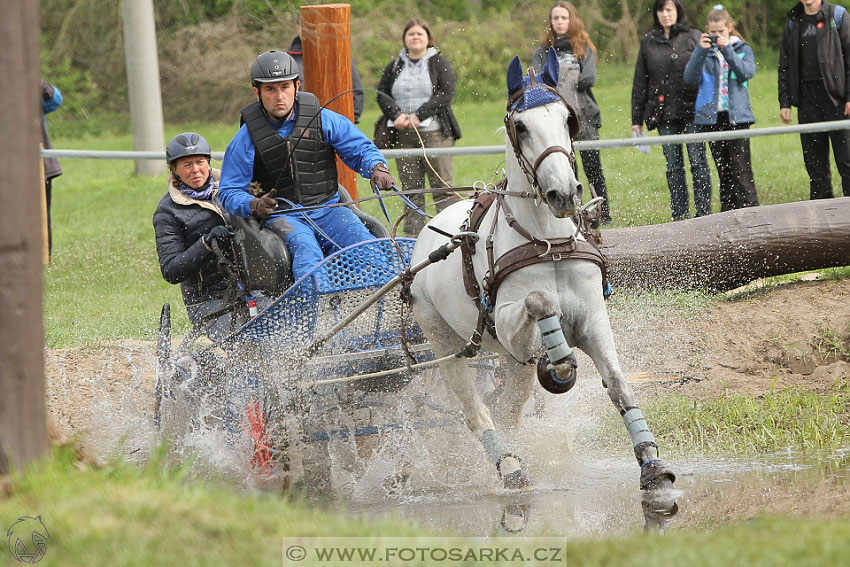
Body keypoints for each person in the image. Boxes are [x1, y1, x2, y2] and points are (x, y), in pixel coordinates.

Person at [219, 50, 395, 283]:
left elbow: (360, 148)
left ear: (297, 86)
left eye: (285, 87)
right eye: (270, 89)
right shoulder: (245, 138)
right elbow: (228, 192)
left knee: (367, 248)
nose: (279, 96)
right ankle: (315, 316)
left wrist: (377, 167)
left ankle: (379, 309)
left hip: (330, 210)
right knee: (306, 251)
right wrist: (253, 204)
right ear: (257, 92)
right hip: (283, 217)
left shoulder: (324, 119)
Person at [376, 18, 462, 236]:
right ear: (405, 39)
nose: (415, 37)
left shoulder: (438, 62)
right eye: (411, 34)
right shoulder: (395, 65)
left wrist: (418, 115)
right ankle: (413, 237)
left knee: (442, 187)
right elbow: (382, 93)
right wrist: (396, 115)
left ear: (428, 38)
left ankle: (448, 233)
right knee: (412, 190)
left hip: (434, 134)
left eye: (419, 34)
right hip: (404, 136)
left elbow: (446, 93)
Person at [632, 0, 713, 220]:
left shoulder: (694, 36)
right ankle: (679, 214)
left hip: (693, 109)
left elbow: (711, 72)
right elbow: (641, 81)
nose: (665, 14)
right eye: (661, 10)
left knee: (698, 162)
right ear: (656, 13)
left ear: (678, 11)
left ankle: (704, 213)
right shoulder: (648, 41)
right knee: (673, 165)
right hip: (663, 112)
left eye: (669, 9)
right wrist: (636, 119)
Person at [533, 1, 612, 224]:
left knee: (593, 168)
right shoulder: (543, 51)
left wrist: (559, 81)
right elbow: (540, 81)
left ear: (571, 20)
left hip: (584, 117)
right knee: (568, 169)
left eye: (564, 18)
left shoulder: (584, 47)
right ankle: (574, 215)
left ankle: (602, 213)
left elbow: (588, 79)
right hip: (557, 122)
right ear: (551, 22)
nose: (559, 22)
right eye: (555, 18)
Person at [153, 133, 238, 341]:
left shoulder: (235, 188)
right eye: (186, 165)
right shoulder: (167, 212)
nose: (195, 170)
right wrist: (207, 243)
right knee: (242, 347)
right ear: (173, 169)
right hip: (208, 299)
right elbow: (171, 271)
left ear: (208, 162)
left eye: (200, 162)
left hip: (251, 289)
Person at [684, 4, 759, 211]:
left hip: (737, 118)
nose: (716, 36)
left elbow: (745, 73)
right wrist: (700, 50)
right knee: (723, 171)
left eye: (721, 32)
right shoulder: (705, 53)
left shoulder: (742, 49)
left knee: (741, 169)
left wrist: (727, 50)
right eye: (712, 32)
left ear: (730, 28)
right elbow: (689, 78)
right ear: (707, 30)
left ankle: (750, 212)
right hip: (712, 119)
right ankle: (727, 214)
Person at [779, 0, 850, 200]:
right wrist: (785, 102)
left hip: (836, 99)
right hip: (806, 100)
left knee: (846, 161)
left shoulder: (838, 16)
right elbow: (784, 64)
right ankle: (823, 218)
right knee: (815, 166)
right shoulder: (794, 21)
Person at [287, 16, 365, 124]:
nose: (308, 31)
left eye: (312, 27)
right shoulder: (287, 60)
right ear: (297, 28)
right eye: (304, 26)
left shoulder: (338, 55)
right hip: (301, 124)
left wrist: (351, 120)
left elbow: (355, 88)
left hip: (337, 122)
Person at [41, 79, 63, 258]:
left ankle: (44, 256)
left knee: (42, 214)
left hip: (40, 166)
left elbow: (55, 100)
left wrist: (43, 87)